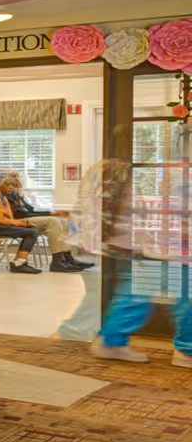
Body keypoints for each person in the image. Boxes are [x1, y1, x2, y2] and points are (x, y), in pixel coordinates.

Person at [86, 158, 192, 369]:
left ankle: (111, 341)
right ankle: (187, 349)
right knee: (185, 298)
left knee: (134, 296)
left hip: (155, 246)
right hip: (170, 247)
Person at [0, 171, 89, 273]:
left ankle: (67, 258)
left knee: (63, 222)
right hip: (17, 221)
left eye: (16, 185)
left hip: (18, 220)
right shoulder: (2, 196)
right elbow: (18, 215)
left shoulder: (13, 196)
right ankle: (57, 261)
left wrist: (51, 213)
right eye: (13, 185)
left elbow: (30, 211)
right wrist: (49, 215)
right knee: (53, 222)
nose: (15, 188)